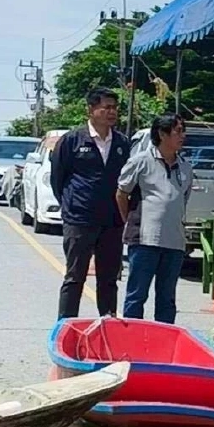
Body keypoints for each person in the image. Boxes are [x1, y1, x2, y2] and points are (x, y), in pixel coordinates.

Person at [51, 88, 131, 319]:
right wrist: (71, 206)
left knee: (109, 279)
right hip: (80, 220)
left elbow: (128, 182)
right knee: (75, 276)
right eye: (105, 107)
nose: (111, 112)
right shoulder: (72, 140)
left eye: (114, 108)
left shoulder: (122, 143)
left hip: (112, 221)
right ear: (91, 109)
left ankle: (107, 325)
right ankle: (66, 326)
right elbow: (58, 179)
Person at [116, 114, 193, 324]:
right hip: (144, 241)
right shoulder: (140, 162)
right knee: (137, 295)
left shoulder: (185, 167)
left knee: (167, 299)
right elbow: (122, 194)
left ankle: (163, 345)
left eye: (183, 131)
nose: (182, 136)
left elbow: (182, 199)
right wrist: (129, 222)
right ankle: (132, 340)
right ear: (161, 133)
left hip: (174, 242)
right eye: (177, 131)